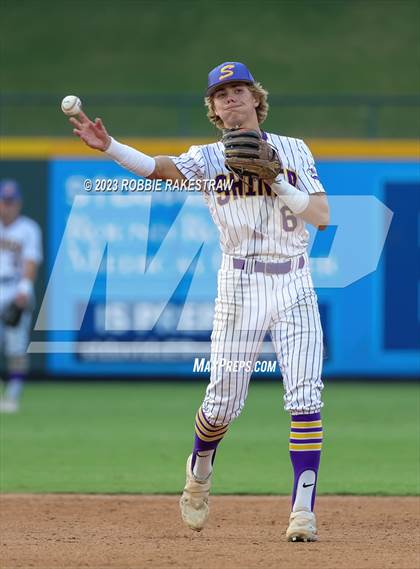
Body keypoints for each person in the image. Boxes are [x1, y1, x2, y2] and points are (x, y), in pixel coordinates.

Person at [69, 61, 329, 542]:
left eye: (238, 90)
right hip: (240, 284)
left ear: (256, 98)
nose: (230, 98)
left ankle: (303, 512)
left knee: (306, 396)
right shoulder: (209, 158)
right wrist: (111, 148)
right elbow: (159, 168)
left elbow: (322, 215)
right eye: (220, 94)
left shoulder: (293, 149)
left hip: (295, 281)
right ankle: (200, 467)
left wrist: (276, 178)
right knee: (224, 402)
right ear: (212, 108)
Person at [0, 179, 43, 413]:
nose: (7, 206)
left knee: (16, 348)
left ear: (19, 203)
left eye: (11, 201)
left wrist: (25, 288)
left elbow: (31, 261)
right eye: (4, 201)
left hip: (15, 289)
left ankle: (13, 396)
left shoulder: (28, 228)